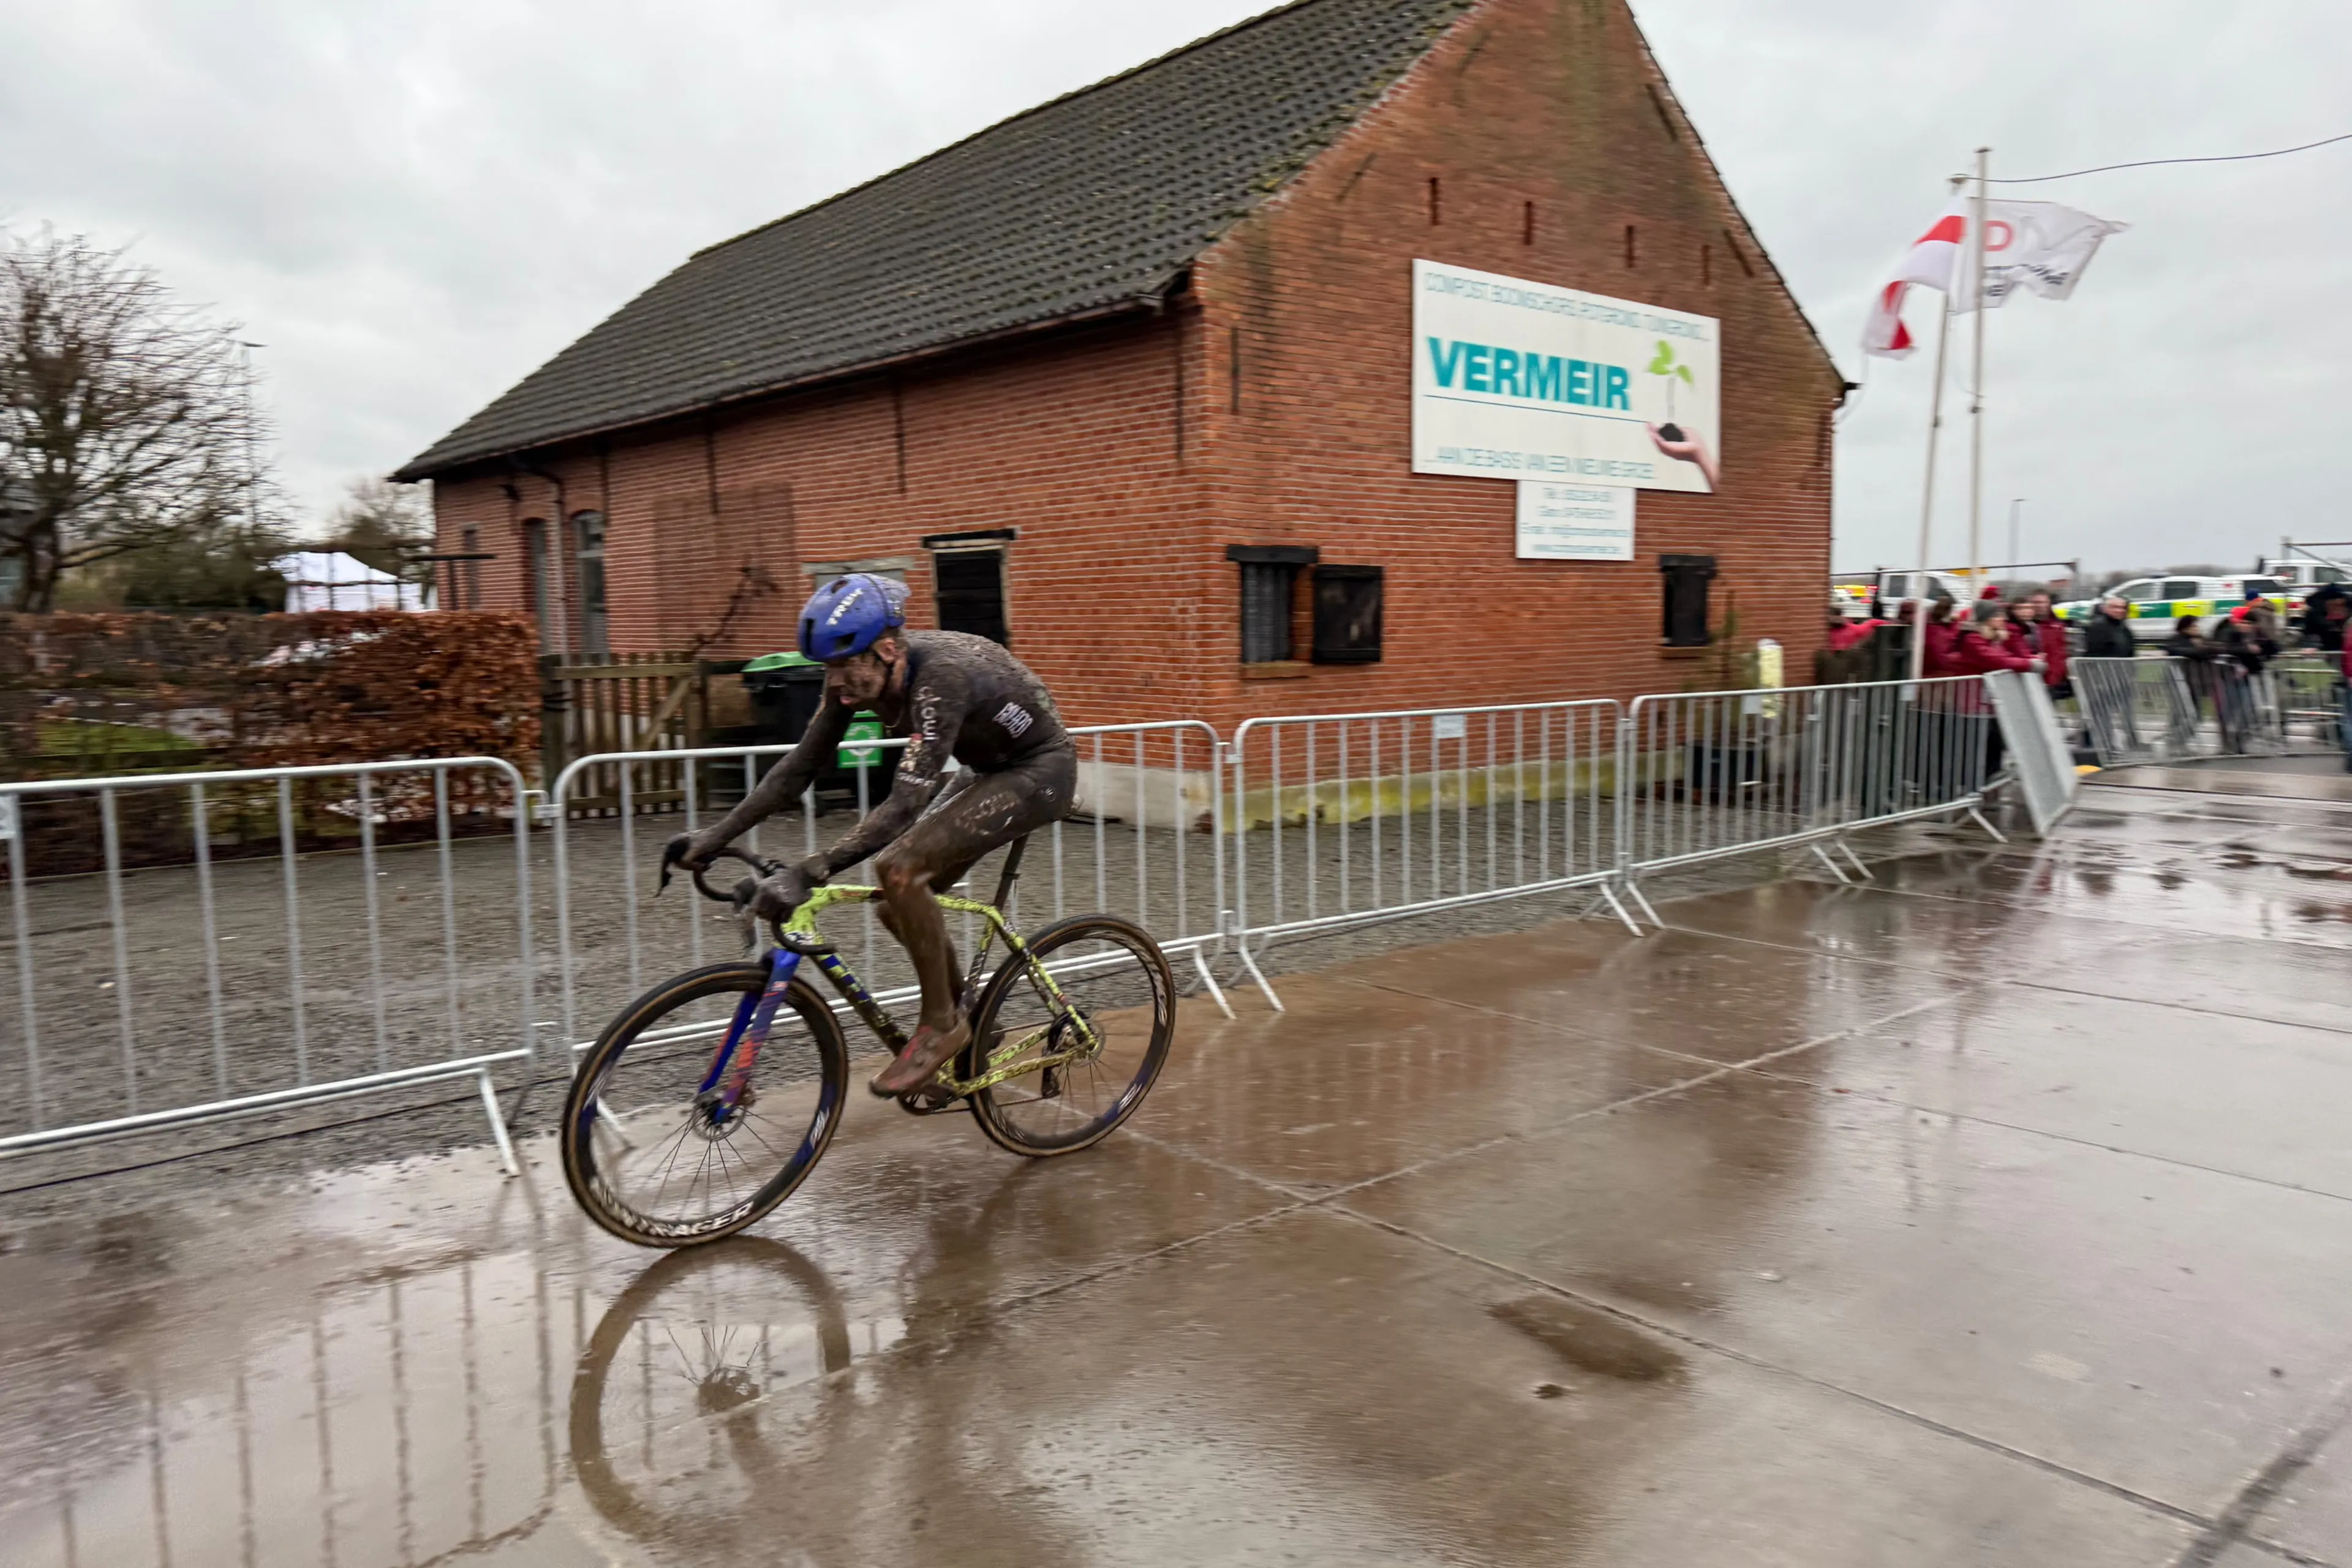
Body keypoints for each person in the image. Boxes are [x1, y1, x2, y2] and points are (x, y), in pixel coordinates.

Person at [666, 573, 1078, 1099]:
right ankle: (975, 1027)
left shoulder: (940, 679)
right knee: (895, 903)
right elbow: (799, 768)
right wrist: (716, 836)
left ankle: (941, 1026)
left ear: (887, 651)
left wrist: (810, 871)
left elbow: (904, 805)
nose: (835, 683)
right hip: (986, 769)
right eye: (827, 670)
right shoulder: (857, 677)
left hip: (1039, 771)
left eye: (844, 667)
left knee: (900, 869)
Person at [2007, 589, 2070, 697]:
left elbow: (2059, 653)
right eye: (2036, 603)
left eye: (2043, 602)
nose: (2039, 606)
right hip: (2028, 676)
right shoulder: (2016, 629)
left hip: (2048, 677)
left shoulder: (2055, 626)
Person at [2081, 594, 2137, 660]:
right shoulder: (2097, 628)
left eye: (2123, 608)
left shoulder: (2124, 629)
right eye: (2115, 607)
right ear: (2105, 609)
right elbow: (2094, 654)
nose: (2120, 611)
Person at [2301, 580, 2349, 652]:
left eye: (2341, 605)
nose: (2337, 608)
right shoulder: (2315, 617)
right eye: (2334, 605)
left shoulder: (2348, 617)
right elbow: (2310, 636)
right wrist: (2313, 646)